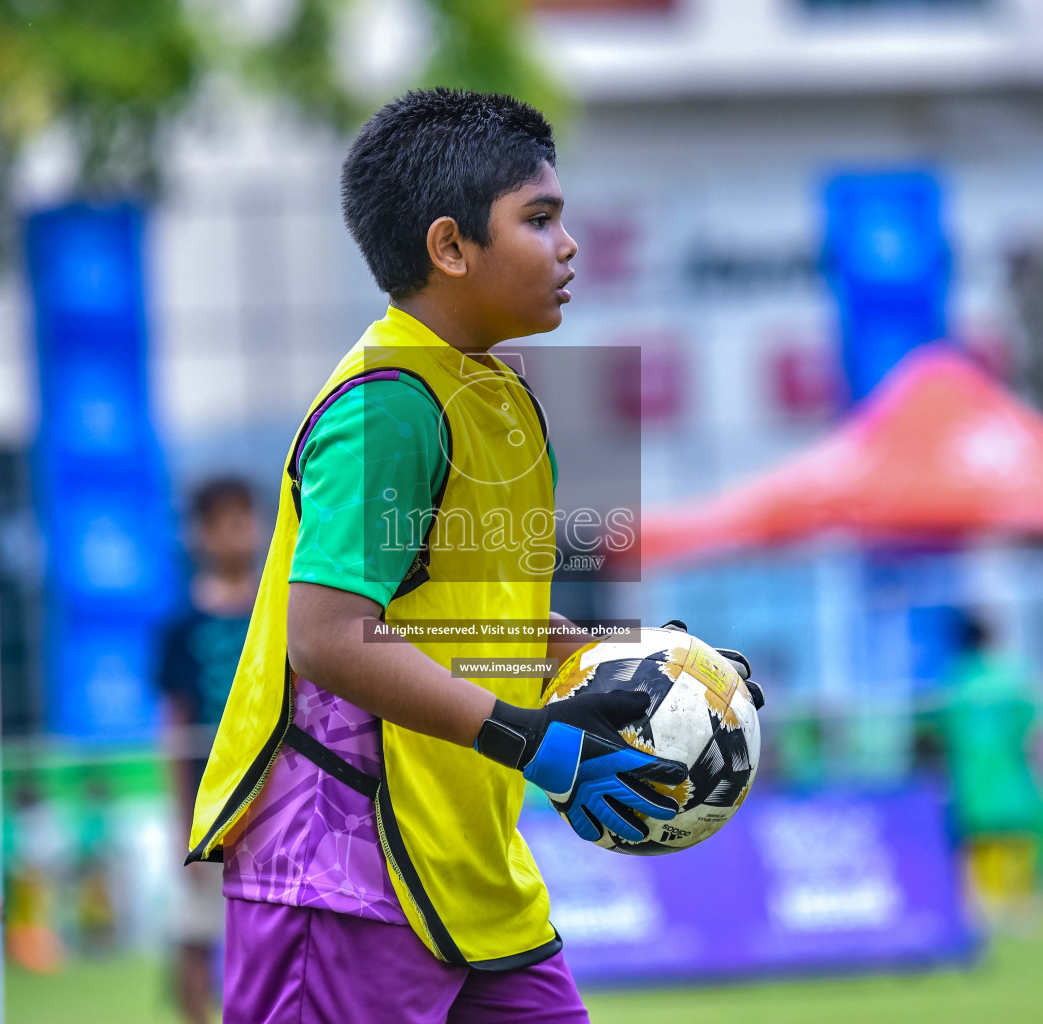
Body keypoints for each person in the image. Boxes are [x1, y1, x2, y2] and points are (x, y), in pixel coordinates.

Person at [185, 89, 753, 1023]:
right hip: (341, 882)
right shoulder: (389, 405)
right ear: (450, 248)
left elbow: (480, 623)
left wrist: (651, 667)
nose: (569, 245)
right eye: (539, 219)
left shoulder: (501, 396)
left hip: (471, 873)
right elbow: (325, 638)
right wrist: (530, 740)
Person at [156, 478, 259, 1024]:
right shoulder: (179, 627)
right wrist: (182, 824)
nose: (237, 534)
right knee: (195, 932)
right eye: (222, 522)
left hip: (271, 799)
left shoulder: (278, 615)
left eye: (245, 519)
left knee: (268, 930)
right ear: (198, 534)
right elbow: (172, 729)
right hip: (206, 804)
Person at [933, 613, 1043, 929]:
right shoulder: (1012, 675)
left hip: (971, 772)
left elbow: (943, 731)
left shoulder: (953, 681)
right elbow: (1032, 725)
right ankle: (1022, 903)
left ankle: (989, 903)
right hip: (1011, 767)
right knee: (1019, 832)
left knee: (982, 835)